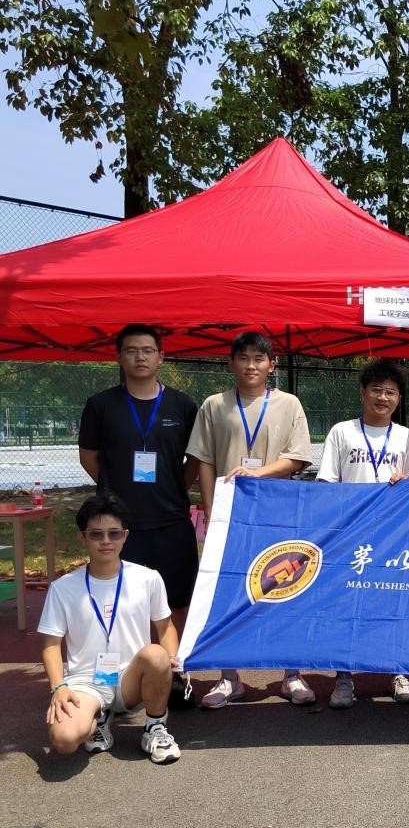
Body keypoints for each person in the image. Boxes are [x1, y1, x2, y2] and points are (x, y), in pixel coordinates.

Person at [186, 331, 316, 709]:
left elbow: (298, 457)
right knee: (229, 593)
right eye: (243, 358)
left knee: (286, 589)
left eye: (259, 359)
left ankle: (291, 674)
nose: (250, 365)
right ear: (231, 363)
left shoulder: (289, 404)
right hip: (230, 517)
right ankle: (229, 677)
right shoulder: (214, 405)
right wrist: (212, 511)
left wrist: (257, 474)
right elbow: (204, 461)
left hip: (279, 515)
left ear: (271, 365)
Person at [77, 324, 199, 708]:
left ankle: (176, 674)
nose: (140, 357)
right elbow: (89, 457)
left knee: (176, 602)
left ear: (161, 357)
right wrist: (114, 492)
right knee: (116, 602)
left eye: (147, 350)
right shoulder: (100, 405)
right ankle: (118, 680)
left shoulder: (183, 406)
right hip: (119, 527)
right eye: (131, 350)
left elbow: (195, 461)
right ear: (119, 357)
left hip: (170, 519)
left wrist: (171, 489)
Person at [39, 494, 182, 764]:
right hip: (87, 681)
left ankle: (155, 727)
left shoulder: (148, 578)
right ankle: (98, 716)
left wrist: (171, 658)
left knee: (156, 654)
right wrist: (58, 687)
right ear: (82, 538)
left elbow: (165, 627)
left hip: (131, 677)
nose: (106, 541)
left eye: (114, 533)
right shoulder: (62, 588)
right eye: (96, 534)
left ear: (125, 536)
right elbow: (50, 645)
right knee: (64, 740)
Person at [316, 358, 409, 707]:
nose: (383, 398)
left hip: (393, 538)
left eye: (391, 392)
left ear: (399, 398)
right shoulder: (341, 432)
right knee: (348, 607)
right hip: (351, 538)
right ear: (363, 392)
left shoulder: (406, 437)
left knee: (392, 605)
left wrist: (407, 481)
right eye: (377, 390)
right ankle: (344, 677)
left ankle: (397, 671)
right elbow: (327, 485)